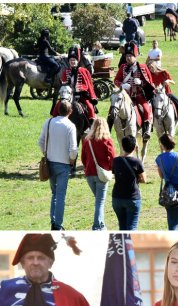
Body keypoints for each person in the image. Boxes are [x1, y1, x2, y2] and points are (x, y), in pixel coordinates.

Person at [39, 102, 78, 230]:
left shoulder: (49, 122)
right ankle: (58, 225)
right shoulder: (70, 126)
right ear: (70, 111)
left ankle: (54, 221)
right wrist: (72, 160)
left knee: (54, 194)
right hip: (64, 164)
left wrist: (46, 152)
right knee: (60, 195)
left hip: (50, 162)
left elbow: (41, 141)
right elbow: (73, 149)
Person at [114, 41, 155, 140]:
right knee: (113, 109)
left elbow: (150, 83)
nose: (128, 58)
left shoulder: (143, 68)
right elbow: (116, 80)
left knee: (146, 109)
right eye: (127, 55)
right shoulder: (123, 67)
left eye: (130, 56)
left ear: (135, 56)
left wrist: (141, 83)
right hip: (126, 97)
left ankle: (146, 130)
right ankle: (111, 126)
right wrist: (122, 85)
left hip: (139, 95)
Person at [81, 118, 115, 230]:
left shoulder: (87, 140)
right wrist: (110, 169)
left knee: (99, 201)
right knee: (100, 202)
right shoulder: (107, 140)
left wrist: (87, 167)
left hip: (89, 173)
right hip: (102, 174)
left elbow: (83, 158)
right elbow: (112, 158)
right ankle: (97, 226)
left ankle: (101, 224)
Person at [55, 45, 98, 127]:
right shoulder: (66, 71)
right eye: (71, 60)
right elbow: (63, 82)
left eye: (74, 60)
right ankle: (54, 121)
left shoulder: (83, 70)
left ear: (77, 61)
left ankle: (91, 123)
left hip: (81, 95)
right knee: (57, 106)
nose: (72, 62)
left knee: (89, 106)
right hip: (69, 95)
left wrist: (81, 88)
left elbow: (88, 84)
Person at [111, 135, 145, 230]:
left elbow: (115, 174)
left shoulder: (116, 161)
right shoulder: (137, 162)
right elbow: (144, 179)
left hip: (117, 198)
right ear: (134, 147)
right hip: (132, 198)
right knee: (132, 227)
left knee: (122, 227)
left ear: (122, 146)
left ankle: (122, 244)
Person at [147, 60, 178, 125]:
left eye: (152, 67)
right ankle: (150, 123)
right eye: (149, 68)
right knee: (149, 104)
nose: (151, 69)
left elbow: (173, 82)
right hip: (156, 94)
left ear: (155, 66)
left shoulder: (164, 72)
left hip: (167, 93)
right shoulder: (150, 75)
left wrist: (168, 81)